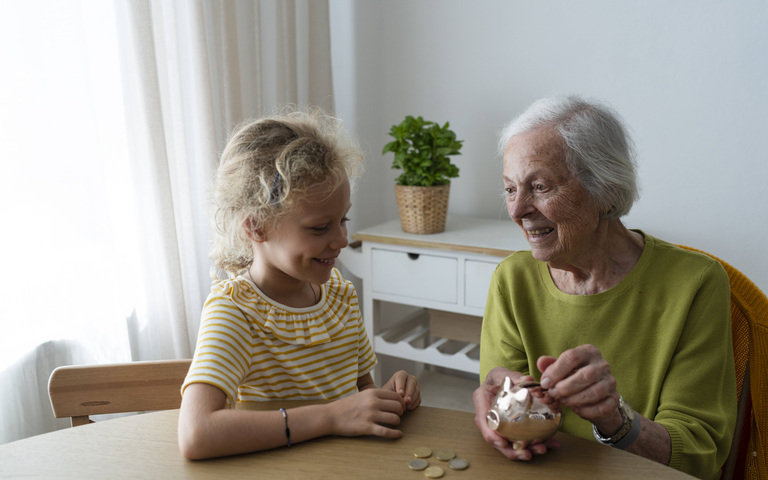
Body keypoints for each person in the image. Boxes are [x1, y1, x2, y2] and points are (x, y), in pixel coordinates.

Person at [473, 95, 735, 480]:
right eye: (511, 189)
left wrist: (615, 419)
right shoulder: (512, 280)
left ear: (607, 190)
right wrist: (504, 410)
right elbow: (514, 417)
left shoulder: (695, 284)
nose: (516, 211)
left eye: (540, 186)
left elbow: (699, 454)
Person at [178, 108, 421, 460]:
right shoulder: (235, 311)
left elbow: (360, 392)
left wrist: (390, 396)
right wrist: (331, 417)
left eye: (343, 219)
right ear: (255, 226)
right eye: (320, 228)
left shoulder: (339, 295)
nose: (341, 239)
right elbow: (197, 435)